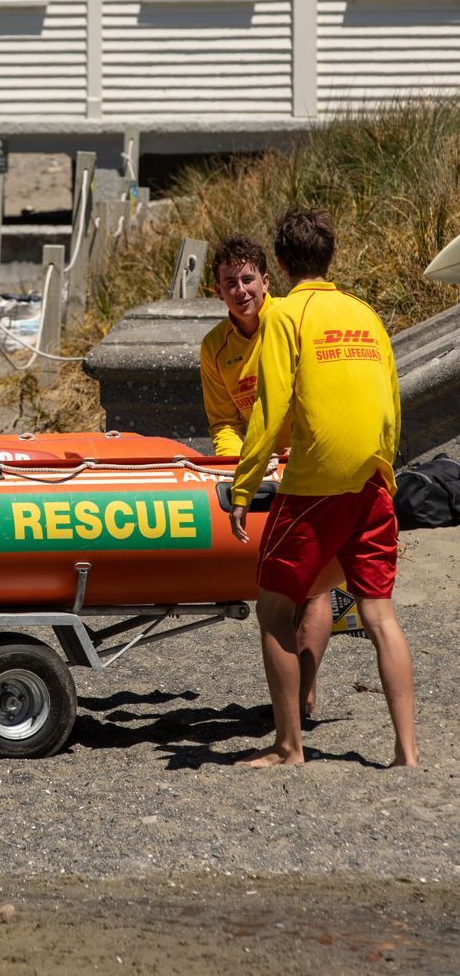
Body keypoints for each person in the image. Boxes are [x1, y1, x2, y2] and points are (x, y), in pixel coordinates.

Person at [229, 208, 418, 767]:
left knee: (273, 611)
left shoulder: (284, 313)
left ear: (281, 264)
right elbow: (391, 401)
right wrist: (385, 472)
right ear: (329, 257)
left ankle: (290, 748)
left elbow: (270, 407)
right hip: (372, 477)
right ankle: (407, 754)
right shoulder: (365, 312)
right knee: (379, 614)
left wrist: (243, 487)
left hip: (314, 484)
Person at [200, 235, 333, 720]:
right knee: (280, 588)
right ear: (218, 291)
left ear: (267, 280)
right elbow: (223, 422)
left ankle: (304, 693)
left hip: (309, 462)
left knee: (314, 586)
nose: (241, 290)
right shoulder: (214, 348)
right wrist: (240, 466)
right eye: (230, 282)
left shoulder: (290, 321)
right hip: (256, 472)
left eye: (248, 279)